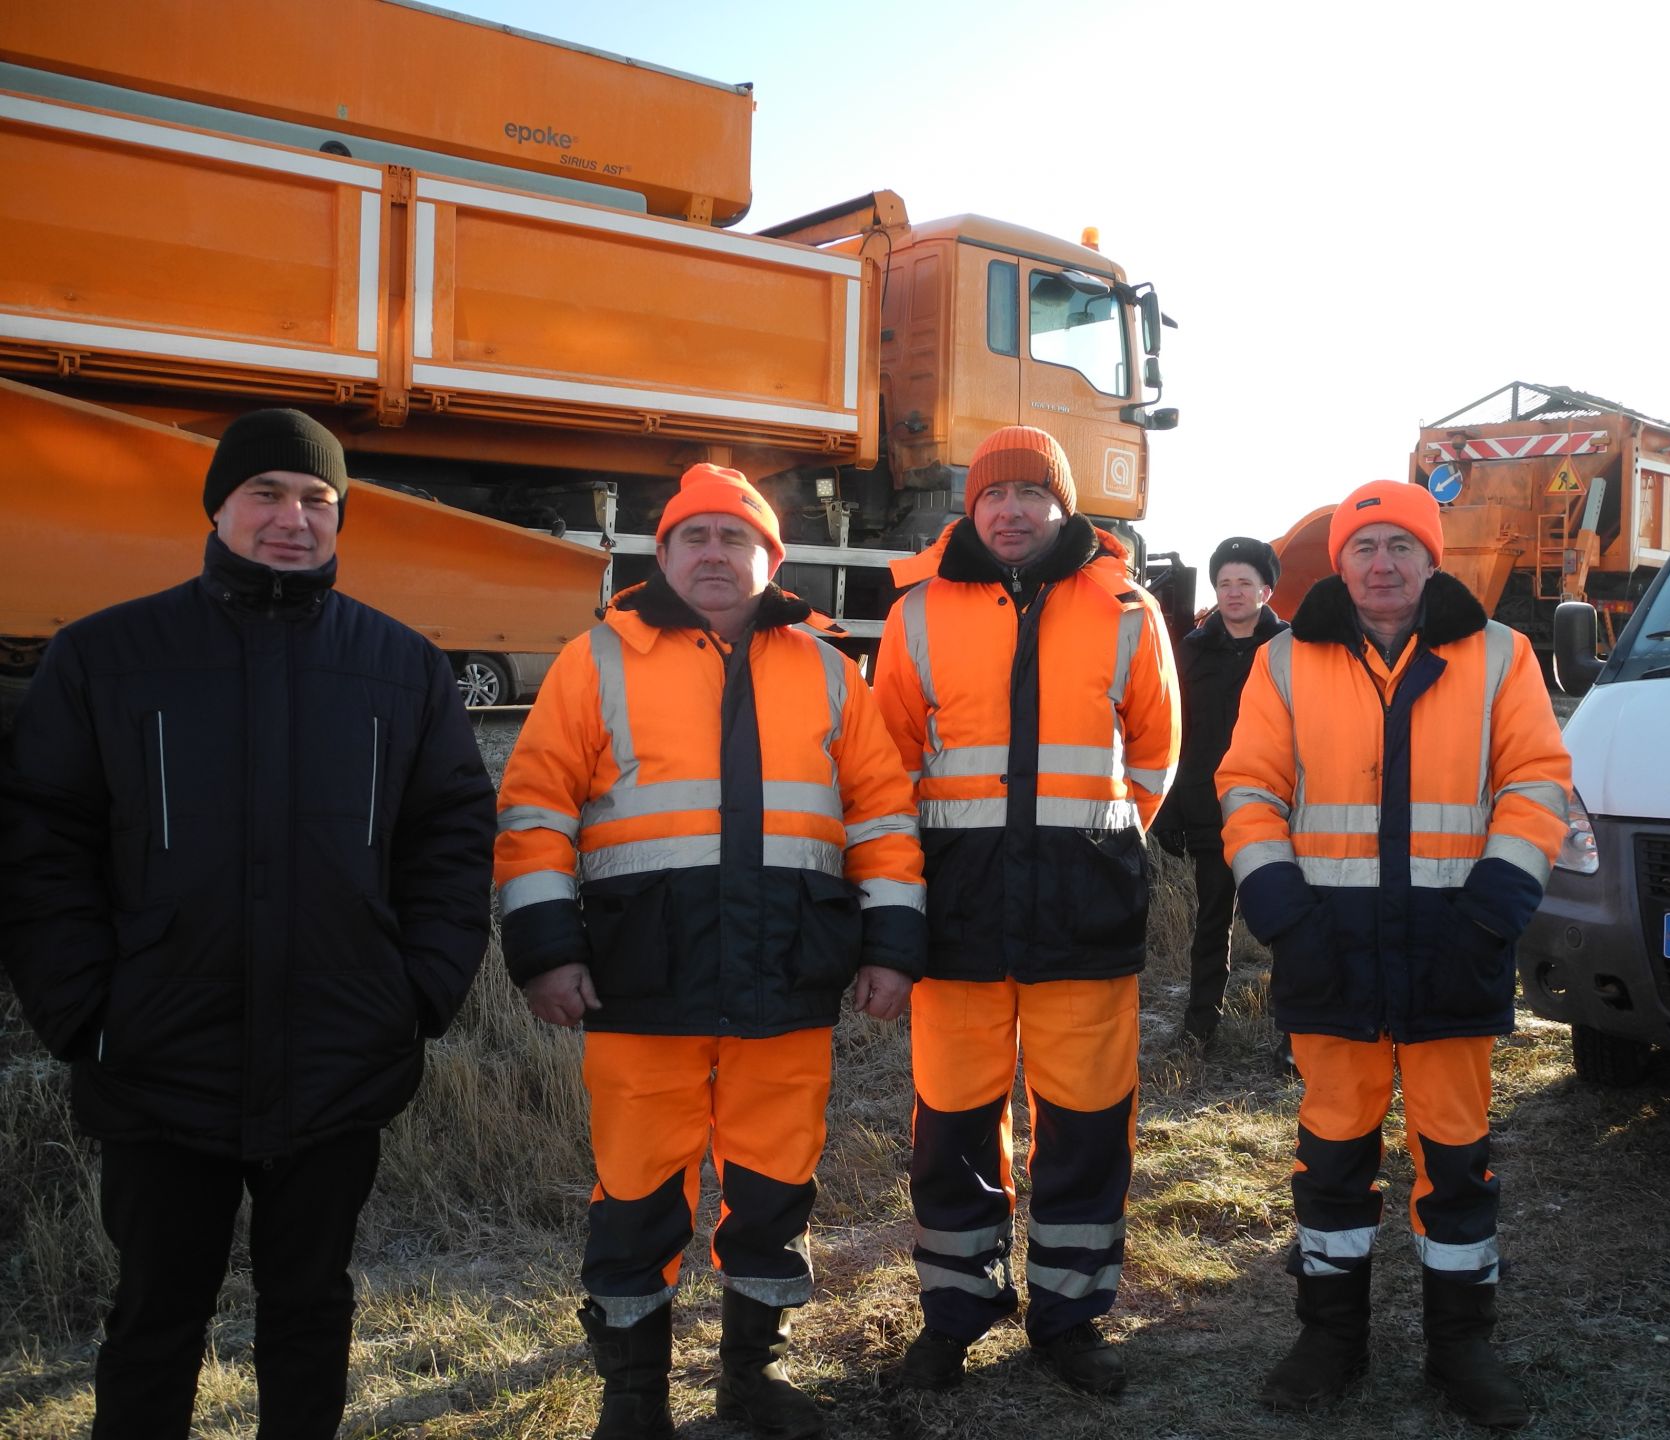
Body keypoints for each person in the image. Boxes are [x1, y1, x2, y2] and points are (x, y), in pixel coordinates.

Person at [0, 409, 496, 1440]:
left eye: (318, 499)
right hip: (154, 1056)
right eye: (267, 493)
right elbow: (41, 842)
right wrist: (85, 1010)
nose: (293, 518)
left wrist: (418, 992)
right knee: (153, 1315)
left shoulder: (399, 668)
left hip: (339, 1055)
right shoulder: (107, 657)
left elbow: (448, 836)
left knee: (311, 1310)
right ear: (218, 507)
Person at [493, 463, 925, 1440]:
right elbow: (532, 815)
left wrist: (892, 944)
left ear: (771, 559)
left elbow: (884, 820)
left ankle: (752, 1381)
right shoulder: (594, 660)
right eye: (696, 538)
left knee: (774, 1189)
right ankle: (633, 1400)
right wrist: (544, 950)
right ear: (664, 555)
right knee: (637, 1196)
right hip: (641, 981)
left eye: (737, 539)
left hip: (788, 979)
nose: (715, 554)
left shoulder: (825, 667)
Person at [1216, 479, 1571, 1430]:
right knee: (1331, 1155)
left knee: (1456, 1156)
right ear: (1339, 562)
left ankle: (1462, 1346)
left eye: (1401, 547)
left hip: (1458, 942)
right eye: (1365, 546)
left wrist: (1493, 910)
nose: (1383, 564)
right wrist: (1283, 910)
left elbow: (1536, 781)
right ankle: (1330, 1337)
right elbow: (1249, 788)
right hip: (1327, 948)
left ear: (1431, 560)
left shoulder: (1502, 654)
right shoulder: (1287, 662)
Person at [872, 425, 1179, 1396]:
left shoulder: (1129, 609)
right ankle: (955, 1315)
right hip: (954, 917)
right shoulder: (917, 613)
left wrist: (1095, 850)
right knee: (953, 1127)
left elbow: (1156, 758)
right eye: (994, 496)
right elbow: (886, 769)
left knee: (1086, 1125)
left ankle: (1071, 1319)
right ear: (972, 510)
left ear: (1063, 507)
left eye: (1030, 496)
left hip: (1084, 915)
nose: (1011, 511)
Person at [1153, 536, 1288, 1053]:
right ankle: (1199, 1025)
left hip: (1274, 811)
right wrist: (1170, 811)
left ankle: (1290, 1029)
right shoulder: (1190, 651)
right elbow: (1173, 733)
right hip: (1210, 810)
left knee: (1283, 923)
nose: (1233, 593)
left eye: (1244, 584)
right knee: (1211, 920)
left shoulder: (1289, 651)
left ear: (1266, 590)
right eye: (1225, 583)